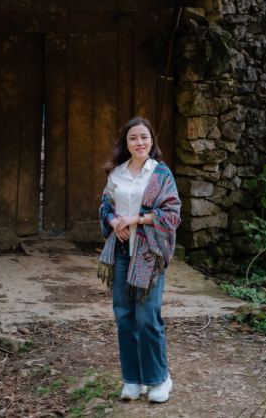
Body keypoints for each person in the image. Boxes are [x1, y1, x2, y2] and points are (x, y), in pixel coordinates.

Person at [98, 117, 181, 405]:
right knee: (125, 317)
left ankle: (159, 379)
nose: (140, 143)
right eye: (134, 138)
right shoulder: (117, 174)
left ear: (152, 142)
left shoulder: (160, 174)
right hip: (122, 253)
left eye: (144, 137)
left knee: (147, 318)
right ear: (126, 143)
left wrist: (136, 219)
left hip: (149, 255)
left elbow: (172, 214)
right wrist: (114, 222)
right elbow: (105, 207)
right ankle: (132, 379)